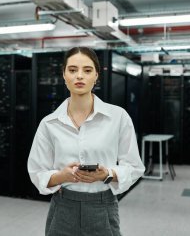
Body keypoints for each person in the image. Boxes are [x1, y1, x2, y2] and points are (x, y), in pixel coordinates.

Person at [28, 46, 145, 236]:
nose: (79, 76)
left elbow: (134, 167)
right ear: (64, 75)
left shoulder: (118, 117)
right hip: (63, 208)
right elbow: (37, 171)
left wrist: (106, 174)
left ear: (96, 76)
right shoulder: (49, 124)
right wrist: (63, 176)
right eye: (72, 70)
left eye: (87, 70)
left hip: (102, 207)